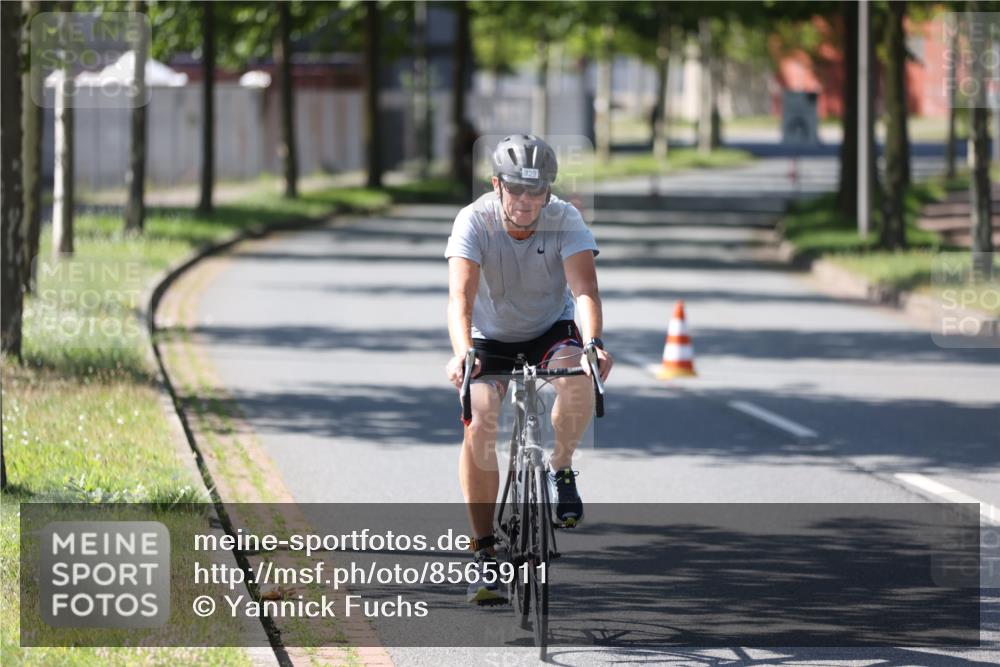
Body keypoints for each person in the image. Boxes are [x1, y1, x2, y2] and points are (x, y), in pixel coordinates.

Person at [444, 134, 613, 604]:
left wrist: (594, 344)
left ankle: (560, 468)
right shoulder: (473, 221)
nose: (525, 202)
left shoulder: (565, 218)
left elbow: (584, 291)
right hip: (488, 336)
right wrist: (463, 352)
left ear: (549, 192)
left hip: (548, 329)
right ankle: (484, 550)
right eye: (516, 190)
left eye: (536, 192)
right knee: (479, 420)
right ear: (497, 185)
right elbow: (460, 298)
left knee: (579, 379)